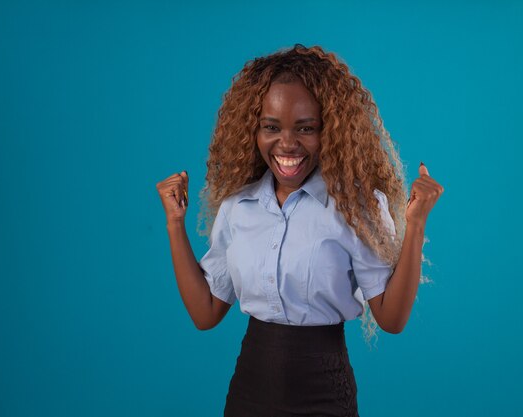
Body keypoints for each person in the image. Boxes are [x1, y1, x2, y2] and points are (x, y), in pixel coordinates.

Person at [156, 44, 444, 417]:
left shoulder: (357, 208)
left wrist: (416, 222)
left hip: (324, 394)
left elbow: (391, 319)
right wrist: (175, 223)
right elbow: (206, 313)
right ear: (253, 130)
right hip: (249, 393)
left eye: (306, 128)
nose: (287, 144)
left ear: (331, 132)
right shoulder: (236, 208)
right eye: (271, 127)